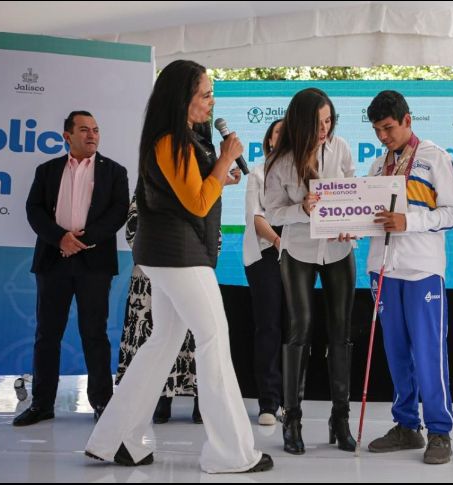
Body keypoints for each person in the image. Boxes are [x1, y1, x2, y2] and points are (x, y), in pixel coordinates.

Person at [84, 60, 272, 473]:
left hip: (171, 253)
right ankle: (231, 453)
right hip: (177, 253)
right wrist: (225, 160)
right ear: (183, 98)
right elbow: (198, 203)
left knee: (163, 341)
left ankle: (117, 439)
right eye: (206, 94)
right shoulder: (171, 140)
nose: (212, 101)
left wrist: (220, 174)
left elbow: (195, 191)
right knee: (213, 338)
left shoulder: (180, 137)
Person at [363, 91, 453, 465]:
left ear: (407, 120)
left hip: (422, 269)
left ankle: (439, 430)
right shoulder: (377, 166)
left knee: (428, 353)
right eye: (377, 130)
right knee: (396, 353)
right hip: (383, 269)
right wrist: (348, 227)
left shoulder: (434, 157)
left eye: (388, 128)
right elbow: (368, 215)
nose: (383, 137)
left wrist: (410, 221)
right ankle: (407, 425)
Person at [15, 111, 129, 426]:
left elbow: (118, 212)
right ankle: (42, 404)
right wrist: (59, 239)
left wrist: (81, 240)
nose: (92, 135)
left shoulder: (114, 171)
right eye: (84, 130)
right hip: (53, 260)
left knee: (95, 334)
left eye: (96, 130)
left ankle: (102, 404)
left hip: (94, 263)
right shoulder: (47, 170)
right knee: (47, 334)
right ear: (67, 136)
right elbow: (34, 209)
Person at [264, 88, 357, 455]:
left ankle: (341, 418)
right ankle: (292, 420)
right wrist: (301, 209)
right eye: (318, 122)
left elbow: (353, 195)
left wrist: (351, 224)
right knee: (299, 329)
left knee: (341, 332)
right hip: (299, 249)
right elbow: (273, 212)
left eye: (329, 121)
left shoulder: (341, 148)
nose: (324, 129)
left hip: (338, 249)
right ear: (301, 122)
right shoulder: (280, 160)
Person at [117, 175, 237, 424]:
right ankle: (161, 397)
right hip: (151, 272)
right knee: (157, 336)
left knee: (199, 336)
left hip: (192, 269)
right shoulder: (147, 183)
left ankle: (203, 400)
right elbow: (132, 227)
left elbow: (213, 232)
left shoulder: (202, 184)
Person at [243, 119, 285, 426]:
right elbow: (255, 218)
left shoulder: (304, 173)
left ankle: (291, 402)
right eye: (278, 133)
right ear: (269, 140)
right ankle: (269, 402)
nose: (284, 137)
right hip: (266, 253)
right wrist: (279, 241)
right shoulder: (257, 173)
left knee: (296, 329)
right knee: (269, 326)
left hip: (299, 254)